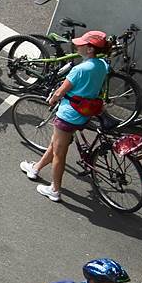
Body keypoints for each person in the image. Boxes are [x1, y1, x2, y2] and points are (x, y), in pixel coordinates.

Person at [20, 30, 112, 203]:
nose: (78, 45)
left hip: (69, 115)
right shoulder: (102, 65)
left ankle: (54, 189)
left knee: (59, 154)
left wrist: (52, 99)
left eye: (82, 44)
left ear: (90, 49)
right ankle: (36, 168)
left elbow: (61, 91)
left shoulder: (79, 69)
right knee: (56, 143)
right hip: (85, 113)